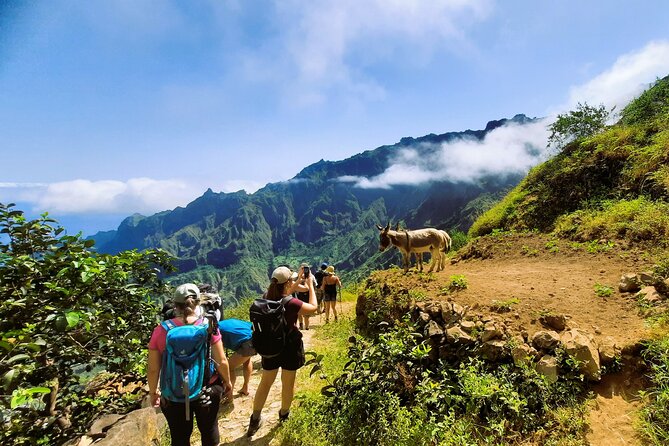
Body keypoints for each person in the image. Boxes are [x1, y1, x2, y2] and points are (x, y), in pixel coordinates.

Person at [148, 283, 234, 446]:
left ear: (174, 305)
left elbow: (153, 369)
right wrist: (227, 383)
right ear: (198, 303)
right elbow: (222, 361)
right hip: (207, 390)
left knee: (179, 437)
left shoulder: (161, 330)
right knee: (209, 430)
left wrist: (154, 392)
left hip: (173, 393)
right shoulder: (207, 327)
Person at [246, 266, 318, 437]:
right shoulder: (292, 303)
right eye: (292, 280)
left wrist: (297, 279)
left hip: (269, 346)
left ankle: (255, 419)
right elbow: (313, 308)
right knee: (288, 383)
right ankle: (284, 414)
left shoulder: (266, 298)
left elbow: (284, 292)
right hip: (289, 347)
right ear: (288, 283)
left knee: (265, 383)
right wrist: (310, 285)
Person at [218, 318, 256, 396]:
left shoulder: (212, 331)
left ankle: (229, 395)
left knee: (228, 367)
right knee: (247, 360)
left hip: (247, 343)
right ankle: (245, 388)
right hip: (254, 336)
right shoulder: (221, 324)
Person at [296, 263, 317, 330]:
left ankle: (302, 325)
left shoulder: (309, 277)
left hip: (301, 295)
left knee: (300, 309)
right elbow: (315, 285)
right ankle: (306, 326)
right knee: (305, 310)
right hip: (307, 295)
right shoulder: (311, 277)